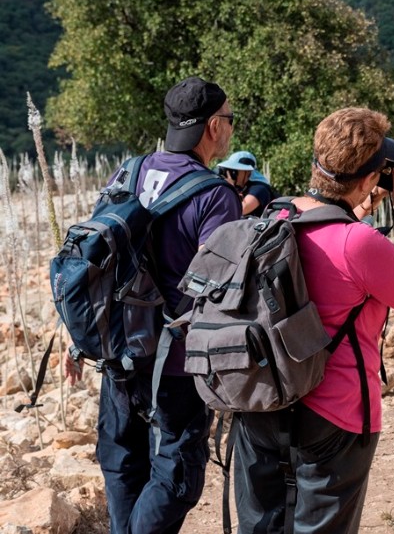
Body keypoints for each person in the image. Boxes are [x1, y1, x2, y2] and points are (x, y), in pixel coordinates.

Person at [232, 107, 394, 533]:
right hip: (335, 414)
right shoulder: (358, 242)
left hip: (262, 398)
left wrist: (355, 209)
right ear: (368, 178)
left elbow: (316, 246)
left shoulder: (276, 215)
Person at [66, 76, 242, 533]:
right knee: (176, 473)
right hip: (176, 363)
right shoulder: (214, 196)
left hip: (117, 349)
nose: (230, 128)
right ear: (211, 128)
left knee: (123, 462)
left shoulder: (129, 171)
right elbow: (221, 290)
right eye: (229, 119)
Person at [216, 150, 276, 217]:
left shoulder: (259, 188)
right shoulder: (242, 188)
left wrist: (230, 188)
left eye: (235, 171)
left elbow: (240, 210)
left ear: (247, 172)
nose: (232, 174)